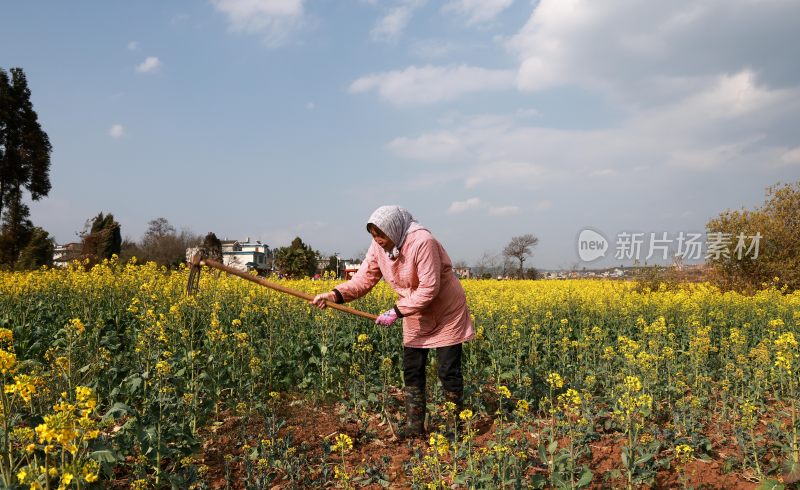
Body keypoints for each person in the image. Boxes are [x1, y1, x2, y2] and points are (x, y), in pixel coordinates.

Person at [311, 205, 474, 439]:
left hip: (446, 310)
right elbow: (363, 279)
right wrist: (334, 294)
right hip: (414, 310)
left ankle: (455, 427)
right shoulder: (379, 247)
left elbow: (429, 288)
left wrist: (396, 311)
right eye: (373, 235)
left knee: (447, 369)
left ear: (395, 229)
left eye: (381, 234)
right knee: (412, 368)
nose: (378, 240)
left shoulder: (422, 241)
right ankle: (415, 426)